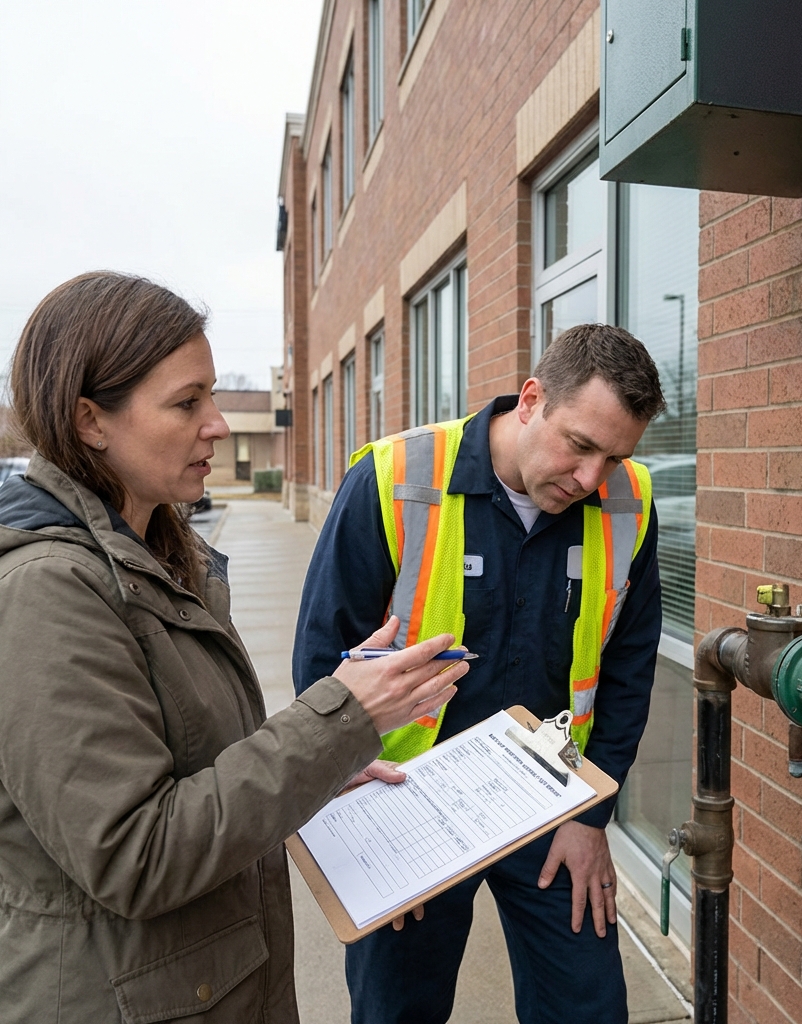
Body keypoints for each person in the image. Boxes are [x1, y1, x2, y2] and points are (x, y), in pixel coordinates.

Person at [0, 272, 468, 1024]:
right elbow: (135, 854)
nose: (217, 424)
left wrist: (315, 774)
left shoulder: (150, 553)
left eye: (213, 397)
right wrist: (336, 721)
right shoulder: (48, 591)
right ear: (91, 420)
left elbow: (193, 765)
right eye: (188, 403)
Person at [293, 323, 666, 1024]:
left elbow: (627, 670)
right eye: (580, 446)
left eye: (614, 456)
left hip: (553, 801)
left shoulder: (628, 503)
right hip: (408, 802)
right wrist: (362, 812)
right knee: (397, 1008)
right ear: (531, 399)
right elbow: (322, 659)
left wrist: (592, 815)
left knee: (589, 1006)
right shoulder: (396, 477)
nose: (591, 478)